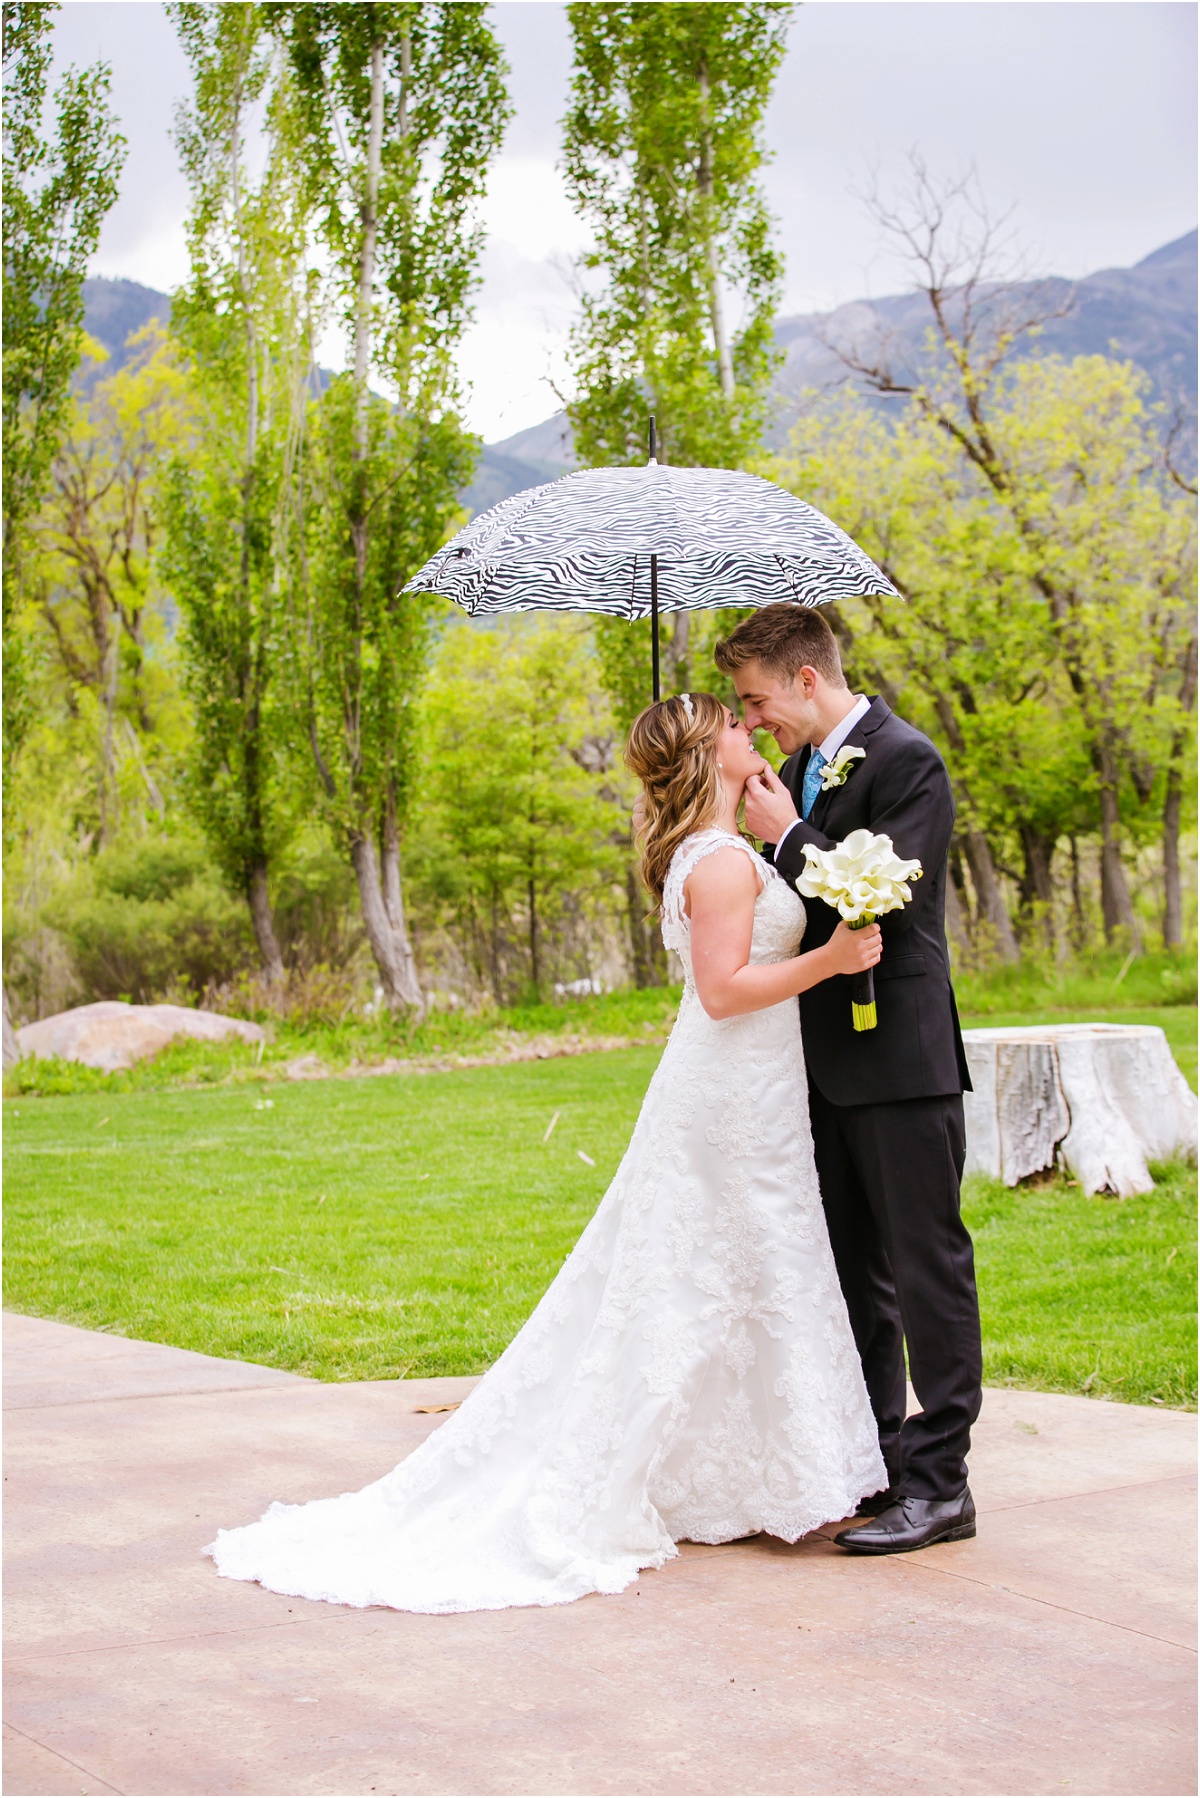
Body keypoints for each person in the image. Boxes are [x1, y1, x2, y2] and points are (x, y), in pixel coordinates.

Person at [206, 693, 886, 1614]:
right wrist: (830, 961)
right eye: (733, 725)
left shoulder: (727, 850)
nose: (749, 732)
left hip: (751, 1090)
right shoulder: (722, 864)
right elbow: (724, 993)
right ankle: (735, 1476)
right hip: (728, 1091)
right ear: (704, 753)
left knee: (745, 1265)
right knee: (710, 1271)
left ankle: (744, 1478)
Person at [715, 602, 982, 1555]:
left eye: (756, 701)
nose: (752, 722)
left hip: (901, 1057)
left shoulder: (907, 760)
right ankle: (880, 1466)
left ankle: (943, 1483)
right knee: (853, 1276)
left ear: (807, 680)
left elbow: (888, 900)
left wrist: (788, 839)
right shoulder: (793, 774)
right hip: (819, 1063)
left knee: (925, 1270)